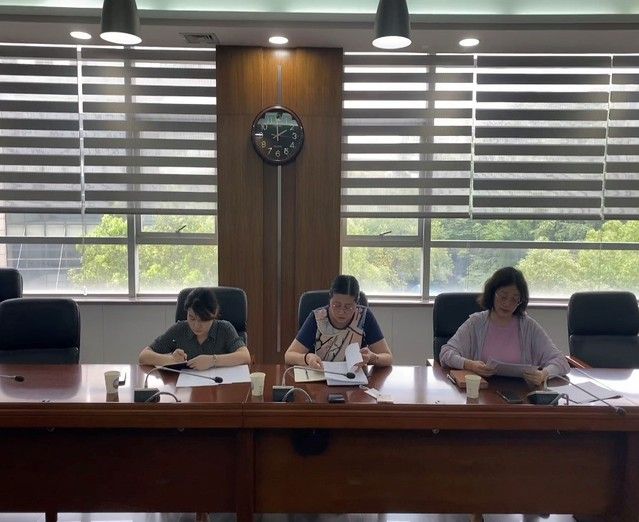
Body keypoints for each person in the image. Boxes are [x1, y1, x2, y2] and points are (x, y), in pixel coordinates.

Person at [439, 266, 569, 386]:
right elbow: (446, 353)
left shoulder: (528, 326)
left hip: (521, 394)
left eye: (514, 299)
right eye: (503, 296)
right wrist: (470, 365)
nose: (507, 303)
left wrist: (543, 374)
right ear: (492, 293)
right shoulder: (476, 323)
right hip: (481, 392)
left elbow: (561, 361)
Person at [285, 275, 392, 368]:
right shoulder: (317, 318)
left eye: (348, 307)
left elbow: (388, 357)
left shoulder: (364, 316)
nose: (341, 312)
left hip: (354, 378)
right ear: (330, 300)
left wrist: (373, 357)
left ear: (357, 303)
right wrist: (307, 358)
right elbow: (289, 355)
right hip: (321, 376)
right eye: (336, 305)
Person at [139, 287, 251, 369]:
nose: (196, 325)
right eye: (192, 318)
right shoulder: (179, 329)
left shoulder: (224, 329)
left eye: (203, 320)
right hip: (186, 391)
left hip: (218, 388)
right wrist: (171, 360)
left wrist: (212, 360)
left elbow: (245, 356)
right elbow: (144, 356)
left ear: (214, 314)